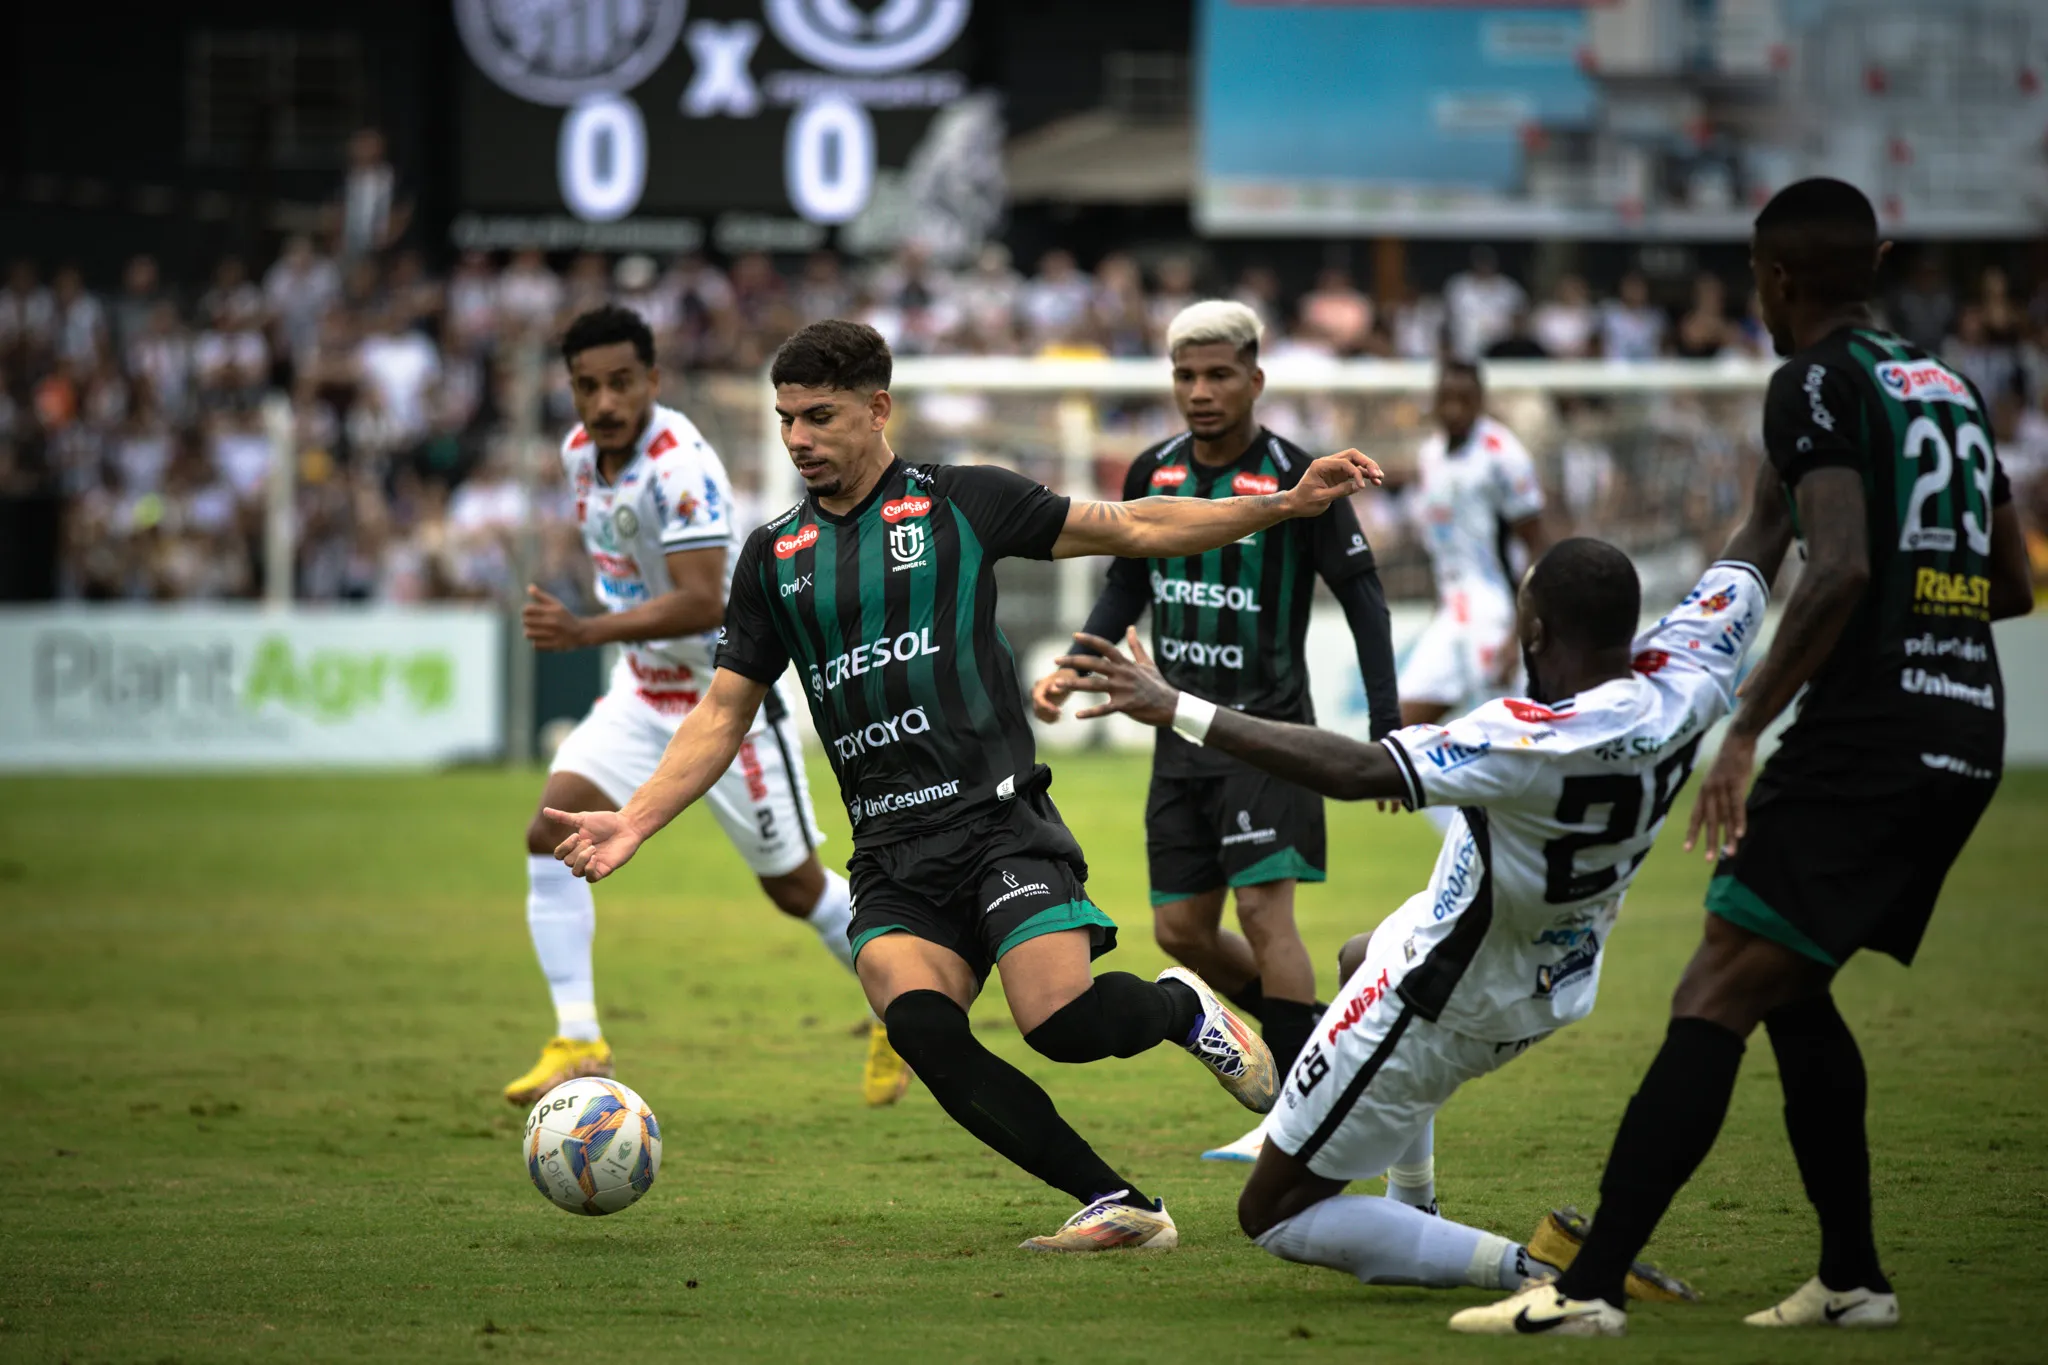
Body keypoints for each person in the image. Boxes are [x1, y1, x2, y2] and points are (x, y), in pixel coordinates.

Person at [546, 319, 1385, 1250]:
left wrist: (1281, 506)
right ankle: (1122, 1205)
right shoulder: (772, 558)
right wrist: (634, 820)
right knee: (923, 1032)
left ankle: (1182, 1007)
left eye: (819, 417)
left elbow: (1133, 524)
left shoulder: (962, 503)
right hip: (892, 854)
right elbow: (720, 713)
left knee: (1059, 1023)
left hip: (998, 826)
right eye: (786, 420)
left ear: (878, 409)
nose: (798, 441)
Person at [1452, 177, 2035, 1338]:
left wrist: (1742, 725)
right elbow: (2006, 582)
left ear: (1772, 278)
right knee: (1787, 984)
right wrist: (1664, 665)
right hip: (1967, 725)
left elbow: (1837, 565)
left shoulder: (1810, 383)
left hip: (1868, 738)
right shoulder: (1948, 391)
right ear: (1869, 262)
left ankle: (1583, 1289)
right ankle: (1851, 1277)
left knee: (1714, 984)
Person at [1056, 537, 1754, 1304]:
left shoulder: (1526, 736)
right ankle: (1415, 1201)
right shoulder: (1685, 675)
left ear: (1536, 635)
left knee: (1273, 1211)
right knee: (1360, 952)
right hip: (1553, 965)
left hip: (1445, 990)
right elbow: (1753, 548)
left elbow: (1358, 770)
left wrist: (1177, 706)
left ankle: (1549, 1272)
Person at [503, 307, 910, 1111]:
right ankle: (579, 1039)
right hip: (640, 690)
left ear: (652, 381)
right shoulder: (580, 453)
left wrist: (588, 629)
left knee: (794, 888)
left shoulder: (678, 464)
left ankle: (899, 1005)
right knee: (550, 832)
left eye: (622, 382)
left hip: (727, 696)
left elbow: (699, 601)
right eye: (588, 385)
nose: (605, 401)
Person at [1030, 300, 1400, 1165]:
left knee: (1268, 916)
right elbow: (1125, 586)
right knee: (1181, 932)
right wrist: (1074, 666)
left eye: (1219, 374)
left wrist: (1385, 729)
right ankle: (1299, 1053)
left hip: (1267, 734)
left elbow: (1366, 602)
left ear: (1254, 379)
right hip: (1176, 734)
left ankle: (1299, 1113)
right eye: (1186, 375)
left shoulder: (1298, 475)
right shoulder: (1153, 471)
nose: (1200, 391)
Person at [1398, 361, 1551, 829]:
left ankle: (1526, 846)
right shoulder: (1430, 456)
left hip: (1497, 615)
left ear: (1481, 401)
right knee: (1402, 736)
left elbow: (1538, 548)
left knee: (1514, 749)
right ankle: (1469, 844)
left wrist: (1517, 637)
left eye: (1465, 399)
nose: (1455, 409)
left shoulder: (1503, 455)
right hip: (1454, 614)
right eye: (1447, 398)